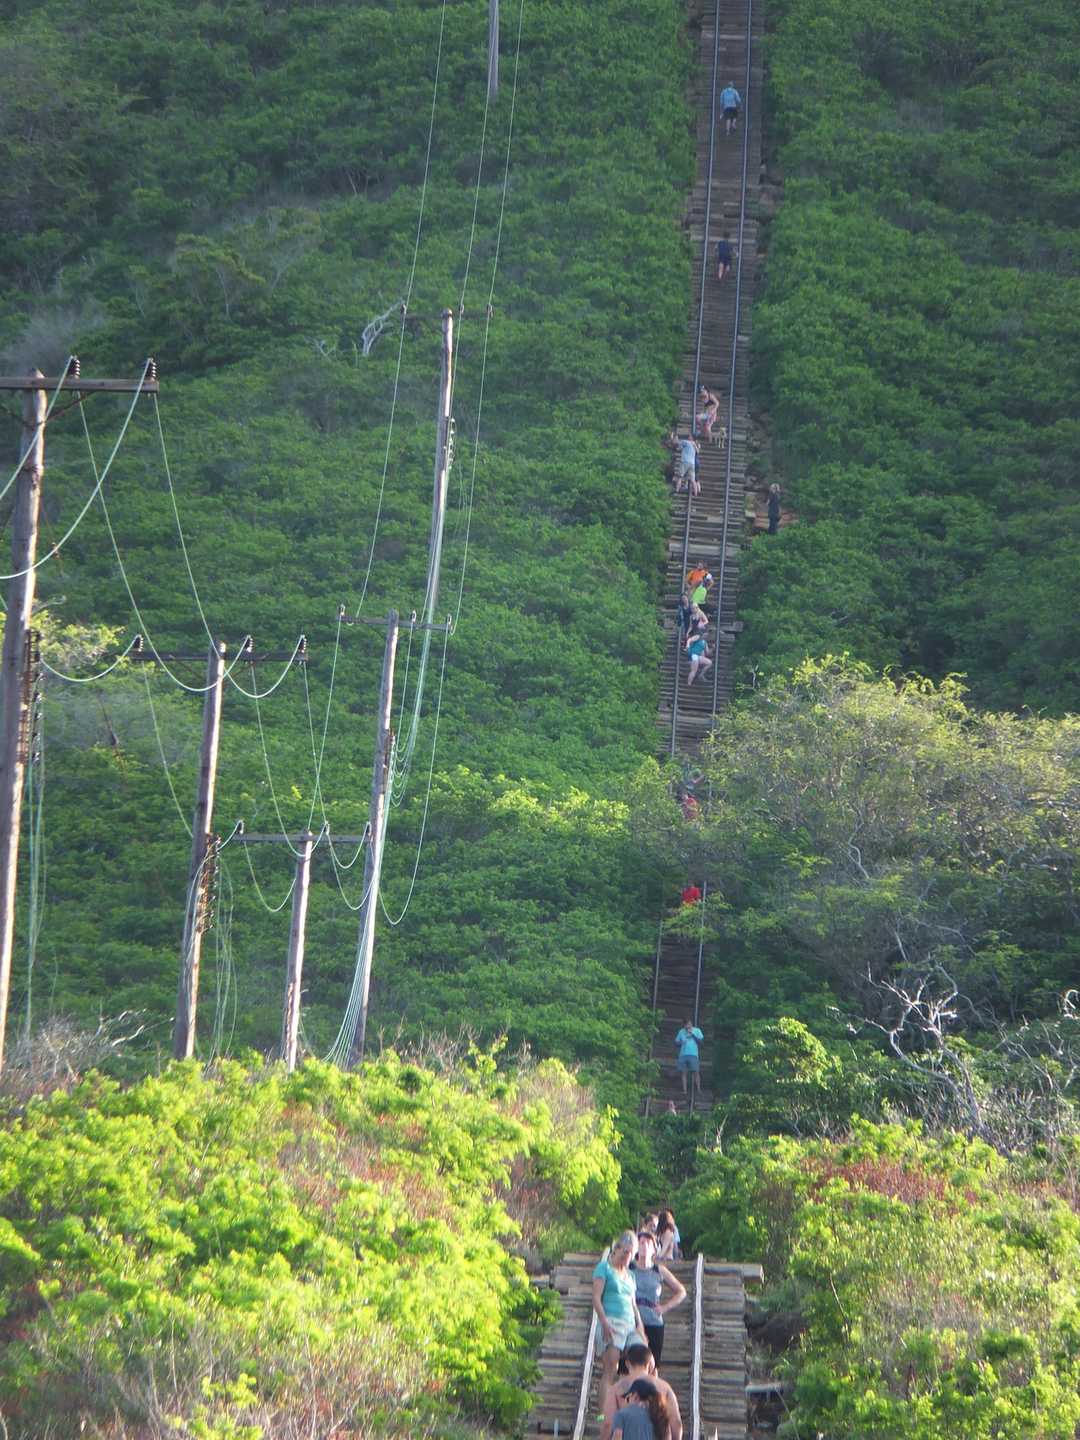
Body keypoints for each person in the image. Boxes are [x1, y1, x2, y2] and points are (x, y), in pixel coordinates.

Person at [592, 1232, 647, 1411]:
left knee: (643, 1360)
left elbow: (633, 1304)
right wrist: (604, 1322)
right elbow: (596, 1297)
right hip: (612, 1321)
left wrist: (640, 1327)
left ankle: (635, 1407)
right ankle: (604, 1413)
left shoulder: (630, 1275)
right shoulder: (604, 1268)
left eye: (631, 1253)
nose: (627, 1256)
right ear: (616, 1249)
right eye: (625, 1252)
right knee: (611, 1369)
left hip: (630, 1324)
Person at [601, 1343, 683, 1440]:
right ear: (649, 1364)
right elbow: (676, 1422)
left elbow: (608, 1423)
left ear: (627, 1363)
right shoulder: (665, 1387)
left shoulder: (617, 1388)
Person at [631, 1232, 687, 1365]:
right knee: (629, 1364)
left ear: (654, 1249)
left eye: (648, 1243)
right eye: (641, 1243)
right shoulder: (629, 1268)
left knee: (652, 1365)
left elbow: (681, 1291)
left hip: (653, 1322)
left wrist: (665, 1307)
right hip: (632, 1321)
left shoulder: (659, 1270)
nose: (644, 1246)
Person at [674, 1018, 704, 1096]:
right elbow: (676, 1042)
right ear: (684, 1025)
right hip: (683, 1054)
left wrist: (692, 1035)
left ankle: (698, 1089)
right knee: (684, 1073)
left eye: (690, 1024)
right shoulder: (681, 1031)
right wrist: (681, 1042)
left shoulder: (697, 1030)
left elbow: (701, 1042)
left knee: (696, 1072)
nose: (689, 1026)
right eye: (687, 1025)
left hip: (693, 1054)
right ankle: (685, 1090)